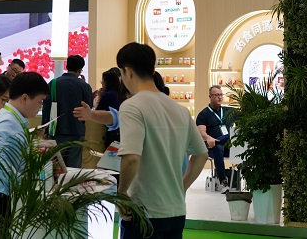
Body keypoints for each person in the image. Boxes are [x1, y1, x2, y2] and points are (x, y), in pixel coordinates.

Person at [115, 43, 207, 239]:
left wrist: (121, 192)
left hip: (143, 212)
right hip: (176, 211)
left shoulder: (132, 107)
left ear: (128, 72)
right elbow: (201, 154)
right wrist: (182, 186)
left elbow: (131, 158)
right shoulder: (180, 110)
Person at [0, 72, 49, 221]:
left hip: (5, 192)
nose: (40, 107)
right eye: (39, 102)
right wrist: (23, 182)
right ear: (25, 98)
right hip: (1, 195)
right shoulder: (6, 122)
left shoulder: (12, 119)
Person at [42, 54, 93, 167]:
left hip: (57, 130)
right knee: (74, 167)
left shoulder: (53, 83)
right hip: (77, 130)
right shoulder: (85, 86)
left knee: (56, 167)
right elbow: (88, 108)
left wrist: (45, 128)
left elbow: (46, 107)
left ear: (66, 66)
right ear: (80, 70)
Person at [196, 85, 232, 190]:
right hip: (212, 148)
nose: (219, 97)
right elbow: (201, 132)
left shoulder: (228, 111)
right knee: (218, 147)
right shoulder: (204, 114)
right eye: (216, 95)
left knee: (234, 136)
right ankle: (223, 181)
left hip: (229, 146)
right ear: (210, 97)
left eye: (221, 95)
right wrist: (208, 138)